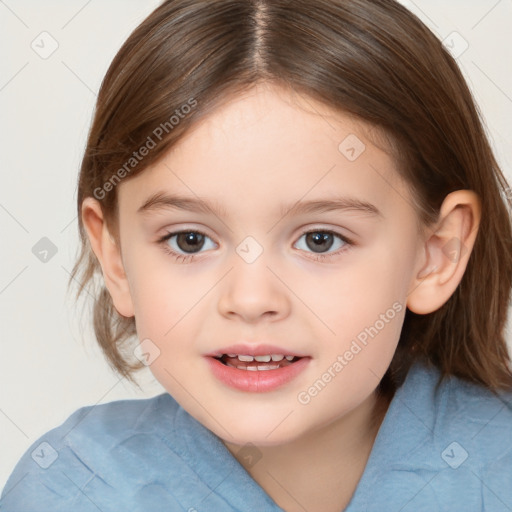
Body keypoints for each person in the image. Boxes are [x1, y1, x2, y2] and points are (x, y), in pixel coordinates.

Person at [2, 0, 512, 510]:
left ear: (436, 254)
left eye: (320, 240)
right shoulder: (68, 491)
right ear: (115, 257)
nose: (250, 299)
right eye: (190, 240)